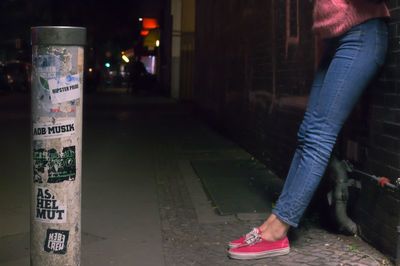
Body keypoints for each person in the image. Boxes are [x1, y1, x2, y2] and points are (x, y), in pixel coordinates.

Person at [228, 0, 390, 260]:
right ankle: (273, 222)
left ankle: (278, 231)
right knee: (307, 133)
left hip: (362, 35)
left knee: (318, 135)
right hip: (338, 41)